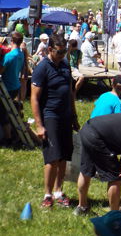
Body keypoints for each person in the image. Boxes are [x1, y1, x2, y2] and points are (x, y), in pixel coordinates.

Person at [30, 34, 79, 208]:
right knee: (52, 157)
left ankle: (59, 191)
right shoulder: (42, 68)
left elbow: (70, 93)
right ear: (50, 50)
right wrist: (39, 125)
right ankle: (48, 194)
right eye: (60, 52)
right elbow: (34, 98)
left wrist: (74, 116)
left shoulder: (65, 65)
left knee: (64, 156)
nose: (63, 54)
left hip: (66, 117)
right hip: (50, 116)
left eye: (65, 51)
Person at [0, 31, 25, 143]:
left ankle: (7, 138)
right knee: (9, 111)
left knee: (3, 113)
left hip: (7, 87)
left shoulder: (9, 56)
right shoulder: (21, 53)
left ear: (11, 40)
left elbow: (1, 70)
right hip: (16, 85)